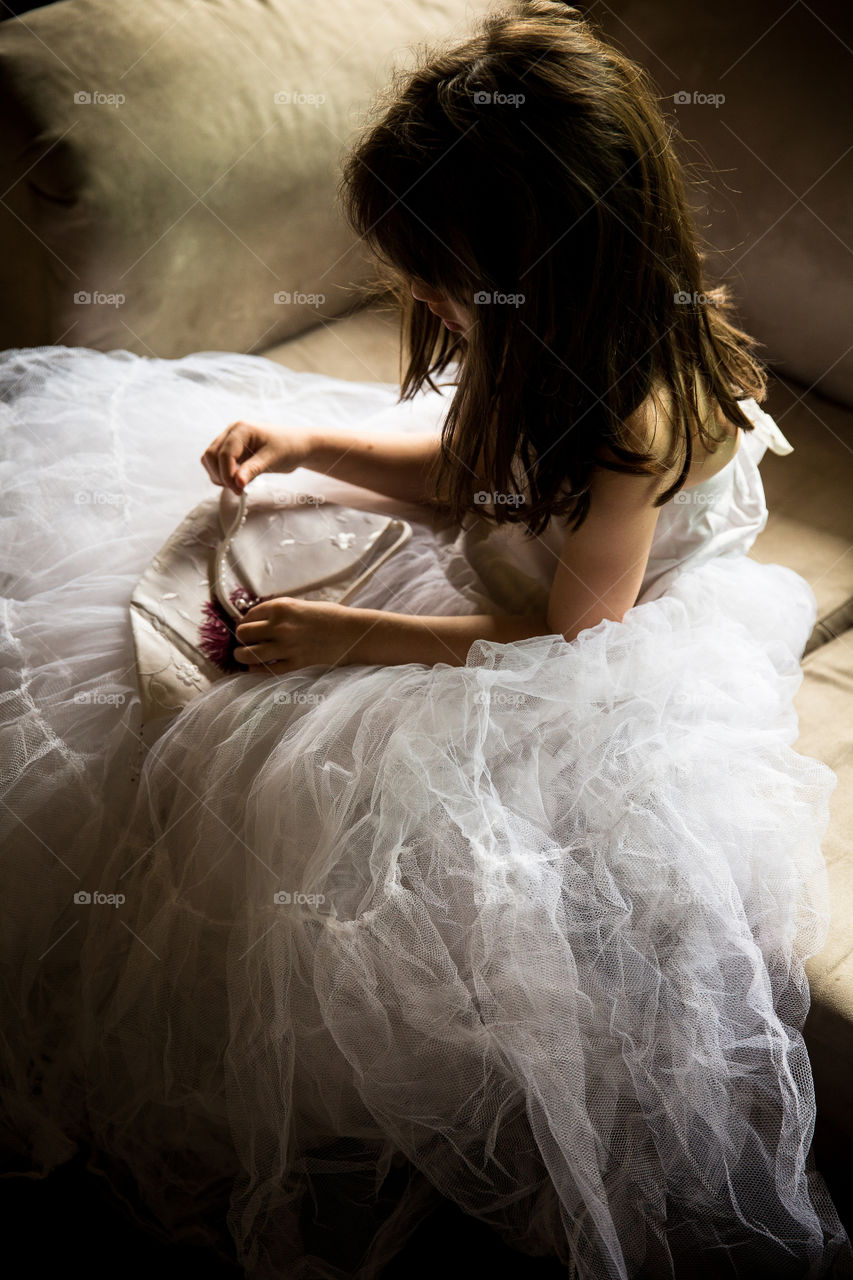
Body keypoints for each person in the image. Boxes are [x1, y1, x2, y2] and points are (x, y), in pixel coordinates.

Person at [1, 2, 850, 1276]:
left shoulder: (640, 416)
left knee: (291, 775)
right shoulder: (540, 334)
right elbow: (477, 470)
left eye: (434, 273)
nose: (417, 296)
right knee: (174, 591)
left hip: (569, 649)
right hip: (508, 568)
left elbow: (569, 629)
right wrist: (314, 444)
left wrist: (345, 634)